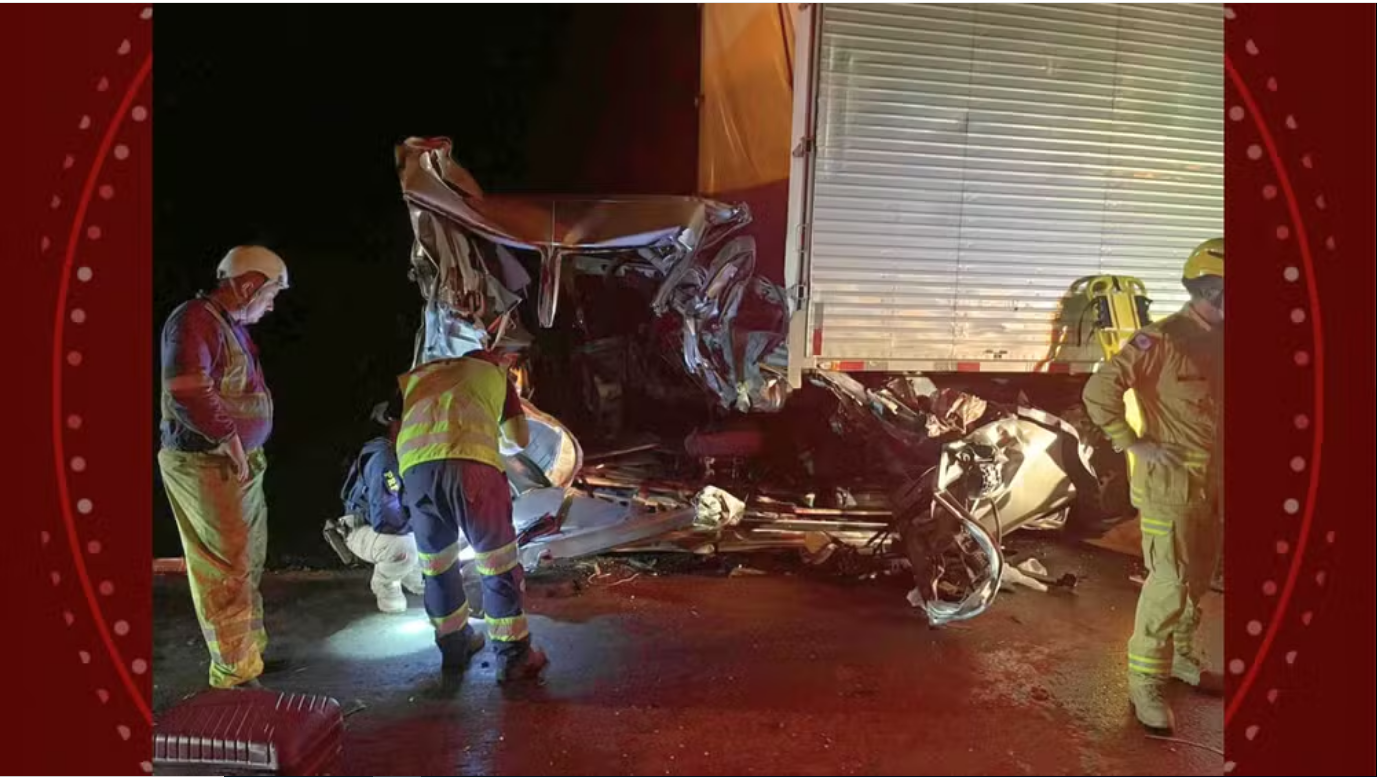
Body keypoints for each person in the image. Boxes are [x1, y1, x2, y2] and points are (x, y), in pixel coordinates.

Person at [1083, 237, 1224, 731]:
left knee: (1200, 578)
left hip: (1214, 485)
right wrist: (1131, 441)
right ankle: (1145, 681)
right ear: (1211, 289)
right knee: (1169, 583)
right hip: (1171, 485)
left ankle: (1182, 656)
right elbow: (1100, 391)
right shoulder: (1160, 340)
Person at [157, 245, 288, 690]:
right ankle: (233, 677)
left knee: (246, 561)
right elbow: (188, 388)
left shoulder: (225, 327)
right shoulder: (194, 319)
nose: (271, 305)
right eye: (270, 294)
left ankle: (248, 656)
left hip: (233, 463)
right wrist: (230, 440)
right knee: (225, 569)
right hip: (205, 463)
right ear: (249, 284)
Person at [397, 330, 547, 684]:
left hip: (416, 472)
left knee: (438, 565)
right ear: (499, 360)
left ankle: (454, 645)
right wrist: (497, 442)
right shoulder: (495, 375)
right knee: (497, 563)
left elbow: (403, 425)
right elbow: (520, 439)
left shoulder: (424, 375)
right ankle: (514, 658)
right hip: (472, 472)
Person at [323, 396, 427, 613]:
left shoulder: (411, 451)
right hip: (364, 530)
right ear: (393, 423)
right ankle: (385, 583)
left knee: (448, 537)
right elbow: (387, 519)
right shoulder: (383, 456)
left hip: (400, 528)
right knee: (404, 549)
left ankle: (411, 572)